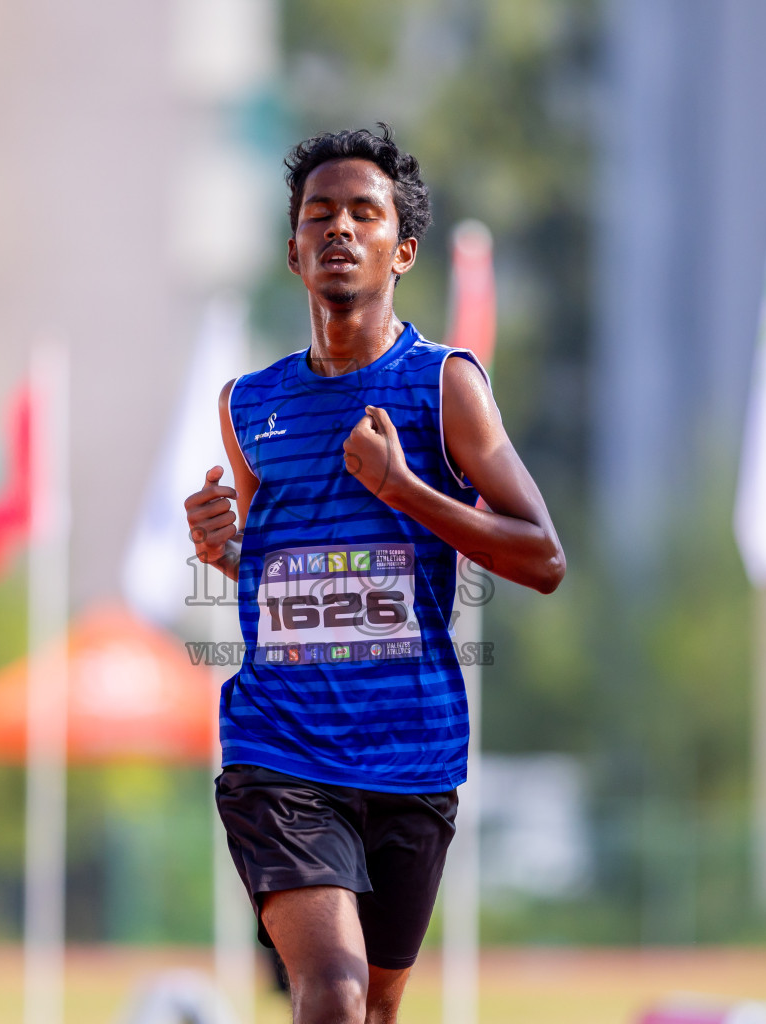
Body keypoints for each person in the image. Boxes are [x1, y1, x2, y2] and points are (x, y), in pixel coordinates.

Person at [183, 125, 565, 1024]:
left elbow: (542, 557)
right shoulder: (250, 404)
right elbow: (281, 572)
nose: (340, 229)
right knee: (332, 992)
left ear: (404, 250)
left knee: (378, 1007)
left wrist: (406, 489)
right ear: (293, 250)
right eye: (320, 214)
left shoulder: (444, 386)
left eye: (365, 213)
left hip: (410, 750)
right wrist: (223, 549)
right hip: (279, 748)